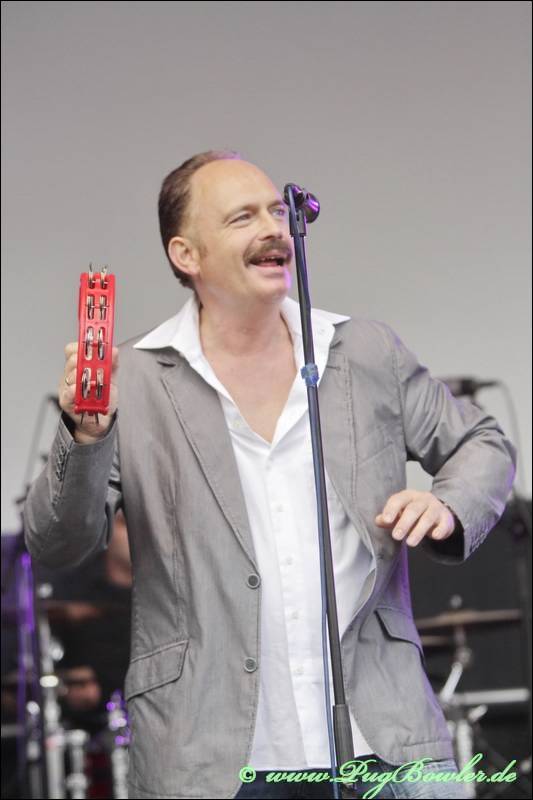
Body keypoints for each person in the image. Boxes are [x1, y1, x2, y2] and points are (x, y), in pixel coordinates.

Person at [23, 150, 516, 800]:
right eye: (242, 217)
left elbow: (481, 441)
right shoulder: (134, 377)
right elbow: (58, 542)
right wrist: (86, 437)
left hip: (384, 738)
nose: (273, 229)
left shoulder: (363, 352)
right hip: (205, 754)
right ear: (185, 255)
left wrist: (448, 505)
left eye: (277, 213)